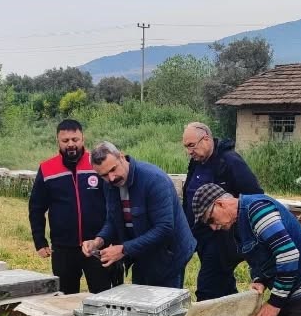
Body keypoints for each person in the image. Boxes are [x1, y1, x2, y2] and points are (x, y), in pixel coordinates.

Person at [190, 183, 301, 316]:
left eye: (210, 220)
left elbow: (288, 256)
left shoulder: (258, 211)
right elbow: (263, 253)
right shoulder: (237, 224)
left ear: (220, 204)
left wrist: (274, 304)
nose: (213, 227)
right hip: (289, 292)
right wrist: (261, 280)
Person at [81, 141, 196, 288]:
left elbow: (165, 228)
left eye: (113, 169)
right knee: (141, 300)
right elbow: (113, 220)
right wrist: (98, 241)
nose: (111, 178)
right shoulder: (110, 185)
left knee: (166, 305)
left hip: (169, 254)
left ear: (121, 157)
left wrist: (123, 249)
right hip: (141, 252)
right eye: (103, 175)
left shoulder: (154, 179)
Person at [28, 119, 121, 294]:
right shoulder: (47, 169)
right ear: (58, 141)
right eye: (65, 141)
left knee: (103, 296)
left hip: (97, 245)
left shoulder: (97, 165)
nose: (71, 144)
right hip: (63, 248)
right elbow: (36, 207)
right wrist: (39, 241)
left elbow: (114, 204)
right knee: (65, 298)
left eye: (75, 140)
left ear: (83, 139)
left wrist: (114, 239)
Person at [180, 121, 262, 301]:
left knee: (207, 287)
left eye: (191, 145)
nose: (189, 151)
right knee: (223, 284)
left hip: (223, 236)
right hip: (201, 235)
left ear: (207, 139)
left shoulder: (230, 161)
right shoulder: (196, 163)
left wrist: (237, 229)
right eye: (186, 147)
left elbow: (256, 197)